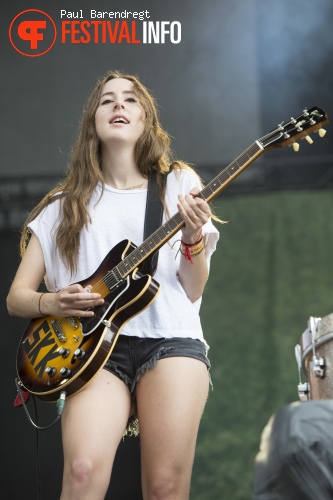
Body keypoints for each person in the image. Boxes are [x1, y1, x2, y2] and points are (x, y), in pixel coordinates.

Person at [7, 70, 220, 499]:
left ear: (146, 120)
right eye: (107, 100)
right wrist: (53, 301)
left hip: (171, 339)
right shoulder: (60, 206)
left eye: (130, 99)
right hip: (91, 350)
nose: (119, 105)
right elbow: (17, 298)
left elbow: (192, 288)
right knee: (82, 473)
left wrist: (193, 238)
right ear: (93, 123)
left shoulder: (177, 185)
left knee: (164, 487)